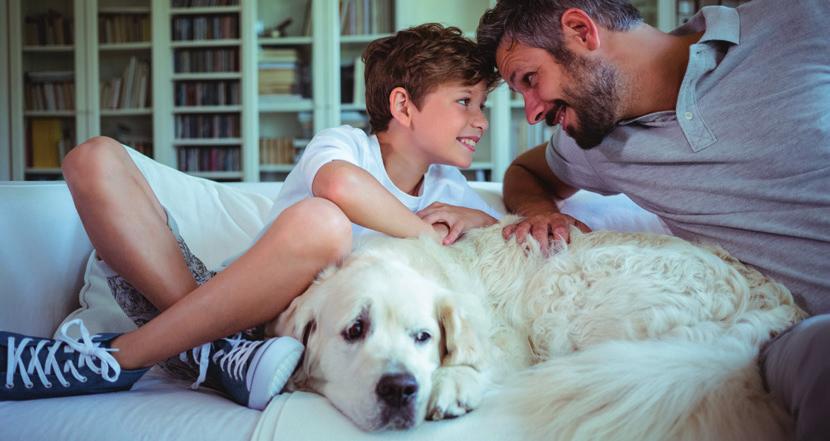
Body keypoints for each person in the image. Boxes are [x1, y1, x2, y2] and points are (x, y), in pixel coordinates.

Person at [1, 23, 501, 409]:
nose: (480, 120)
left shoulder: (448, 188)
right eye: (465, 102)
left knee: (324, 226)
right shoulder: (347, 145)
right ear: (403, 106)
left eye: (482, 105)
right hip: (221, 302)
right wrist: (424, 233)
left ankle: (122, 356)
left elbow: (491, 255)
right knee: (91, 157)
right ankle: (216, 354)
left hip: (285, 334)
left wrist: (479, 220)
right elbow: (338, 184)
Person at [475, 0, 829, 439]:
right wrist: (543, 213)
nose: (531, 111)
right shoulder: (593, 144)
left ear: (581, 31)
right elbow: (525, 172)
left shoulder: (798, 20)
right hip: (801, 334)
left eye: (529, 80)